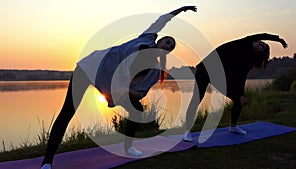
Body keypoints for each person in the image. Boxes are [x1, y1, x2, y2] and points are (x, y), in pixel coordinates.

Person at [41, 6, 197, 169]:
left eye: (170, 47)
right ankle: (47, 161)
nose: (167, 46)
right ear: (159, 41)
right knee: (67, 112)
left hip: (112, 87)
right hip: (89, 68)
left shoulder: (154, 72)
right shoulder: (146, 38)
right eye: (167, 42)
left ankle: (128, 147)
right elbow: (163, 19)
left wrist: (125, 91)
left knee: (137, 108)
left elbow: (139, 94)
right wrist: (182, 9)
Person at [184, 33, 288, 142]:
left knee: (239, 100)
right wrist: (278, 39)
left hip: (218, 75)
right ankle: (187, 131)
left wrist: (241, 94)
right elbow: (261, 34)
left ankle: (233, 127)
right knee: (197, 99)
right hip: (204, 70)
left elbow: (240, 78)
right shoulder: (245, 42)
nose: (260, 44)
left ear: (259, 53)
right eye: (261, 43)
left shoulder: (247, 61)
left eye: (263, 47)